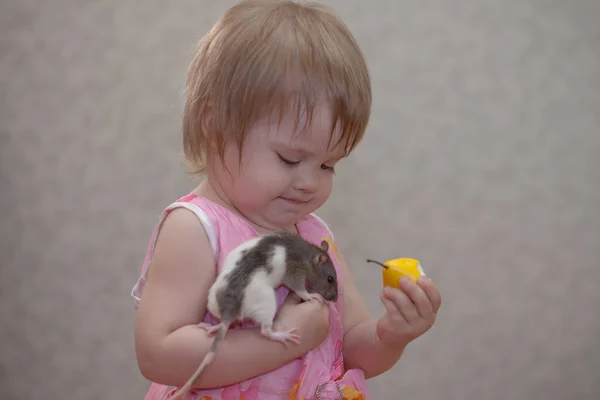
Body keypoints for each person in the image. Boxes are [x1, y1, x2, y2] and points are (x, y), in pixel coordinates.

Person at [131, 1, 442, 399]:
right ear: (214, 124)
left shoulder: (312, 235)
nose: (309, 183)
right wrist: (288, 341)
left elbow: (348, 350)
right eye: (290, 159)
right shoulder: (194, 228)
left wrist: (392, 334)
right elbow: (158, 355)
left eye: (329, 165)